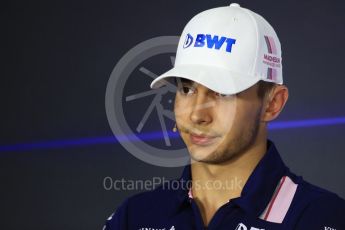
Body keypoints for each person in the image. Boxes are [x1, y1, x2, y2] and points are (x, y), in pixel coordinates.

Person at [104, 3, 345, 229]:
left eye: (222, 93)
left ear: (272, 104)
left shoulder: (323, 217)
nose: (197, 115)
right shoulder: (135, 216)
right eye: (187, 89)